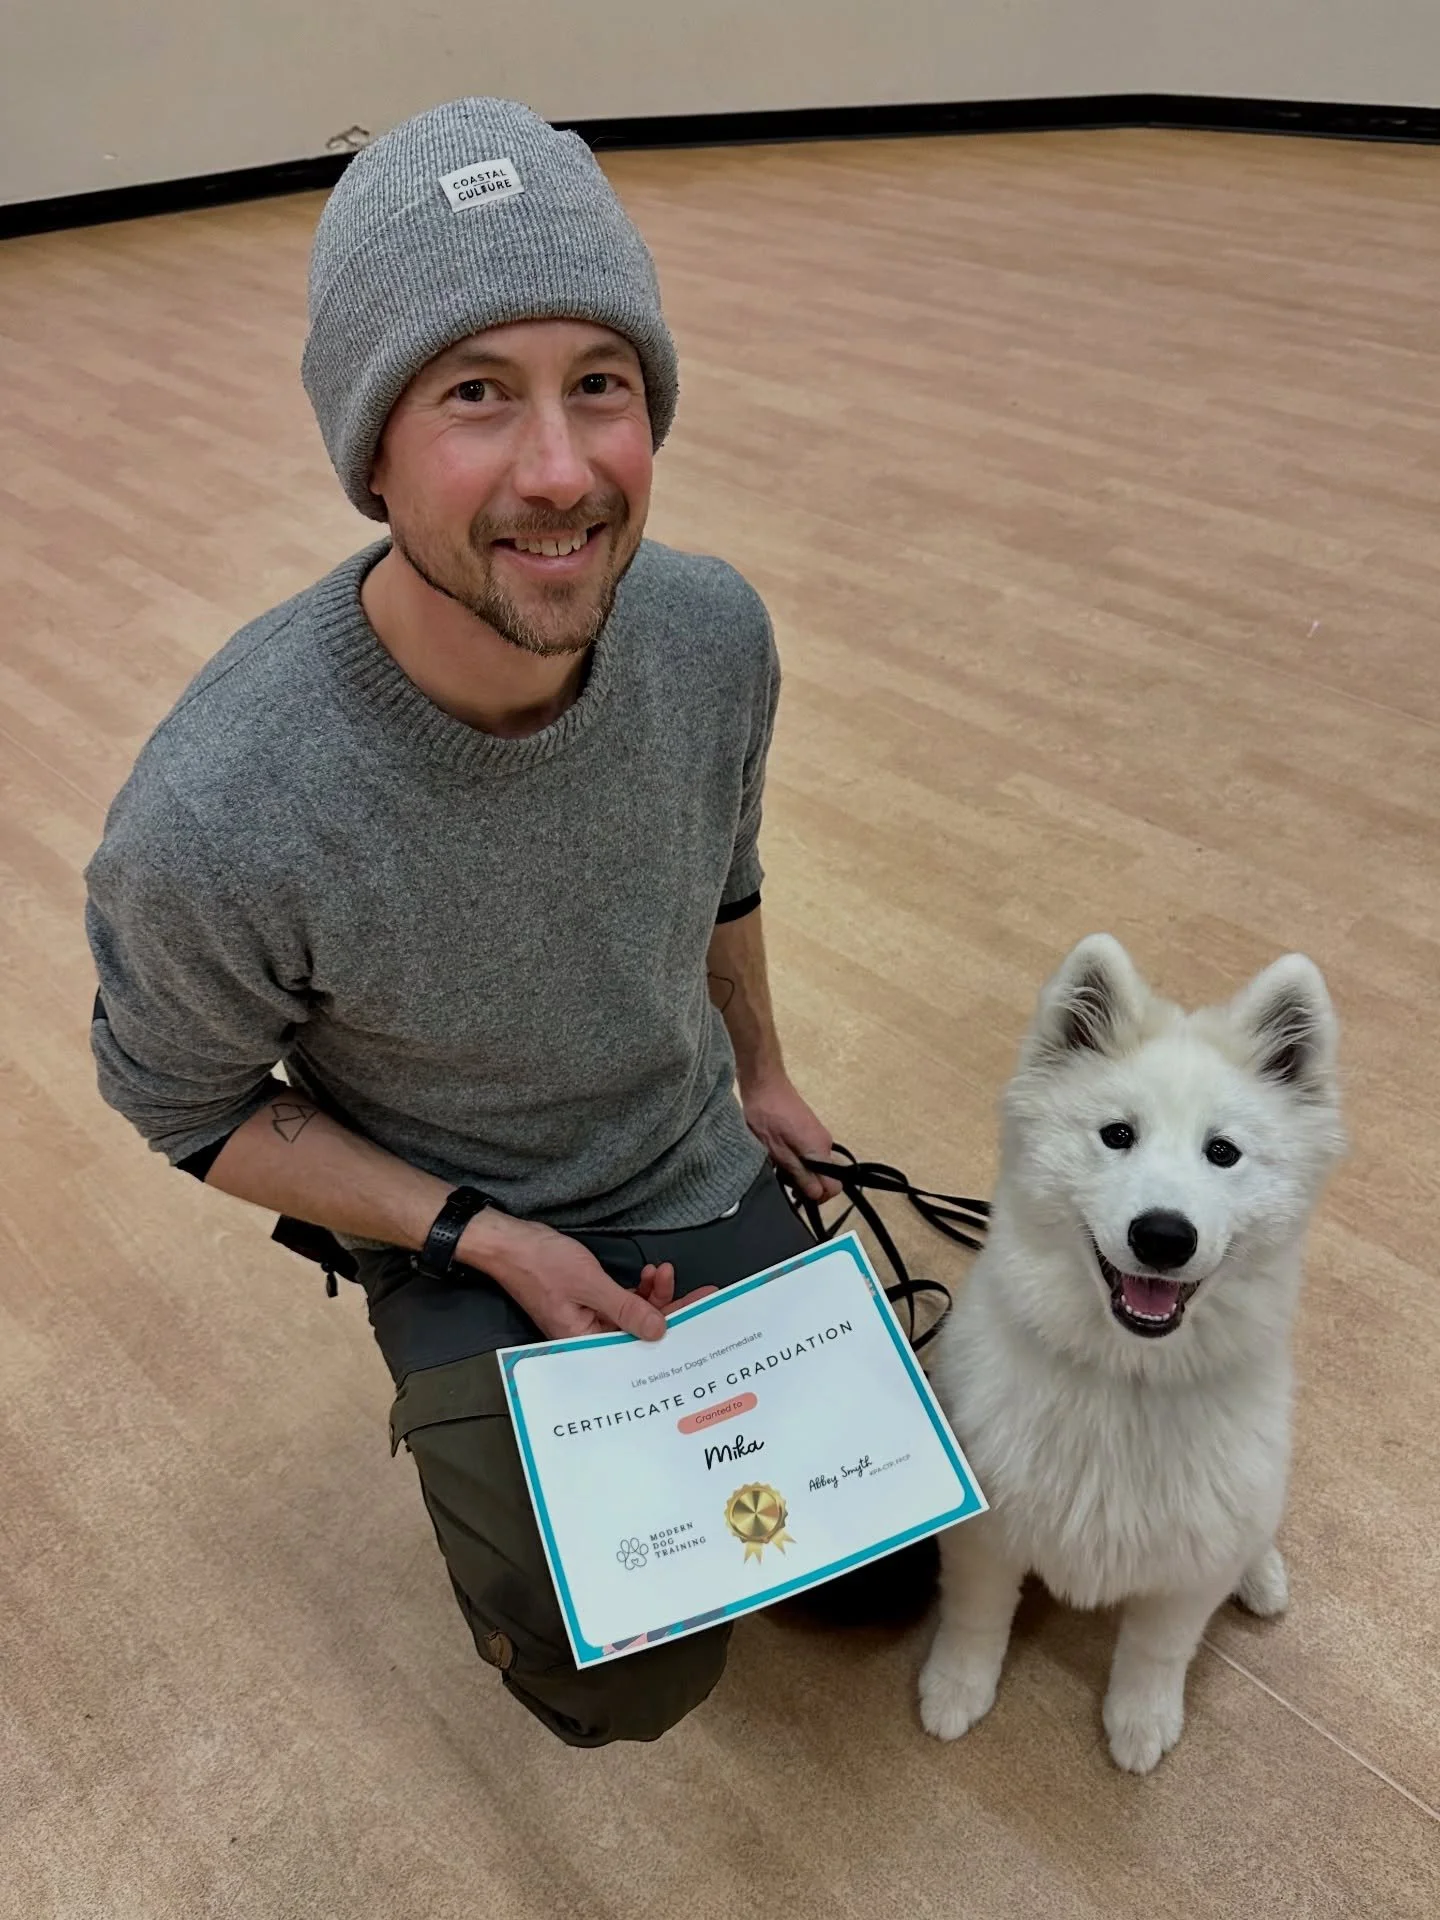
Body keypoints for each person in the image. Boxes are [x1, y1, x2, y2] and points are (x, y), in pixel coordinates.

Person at [84, 96, 932, 1749]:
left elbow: (723, 865)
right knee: (621, 1675)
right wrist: (473, 1237)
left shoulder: (709, 633)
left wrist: (761, 1077)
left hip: (683, 1151)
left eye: (597, 385)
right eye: (477, 394)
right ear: (371, 449)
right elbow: (181, 1110)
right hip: (467, 1218)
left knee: (882, 1581)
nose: (561, 472)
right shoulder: (216, 810)